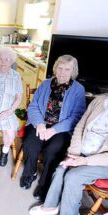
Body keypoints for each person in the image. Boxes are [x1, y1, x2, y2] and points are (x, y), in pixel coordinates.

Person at [29, 69, 108, 215]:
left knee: (74, 175)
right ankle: (50, 205)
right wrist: (73, 154)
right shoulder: (100, 101)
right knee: (62, 166)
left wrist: (84, 161)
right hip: (83, 154)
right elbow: (80, 126)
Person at [20, 55, 86, 202]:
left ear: (73, 71)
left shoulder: (78, 90)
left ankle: (44, 183)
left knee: (53, 150)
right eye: (60, 68)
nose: (62, 72)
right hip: (41, 124)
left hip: (61, 129)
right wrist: (40, 124)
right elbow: (34, 106)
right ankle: (29, 173)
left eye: (67, 69)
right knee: (30, 144)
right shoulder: (45, 84)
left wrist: (54, 130)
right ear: (55, 68)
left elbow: (76, 116)